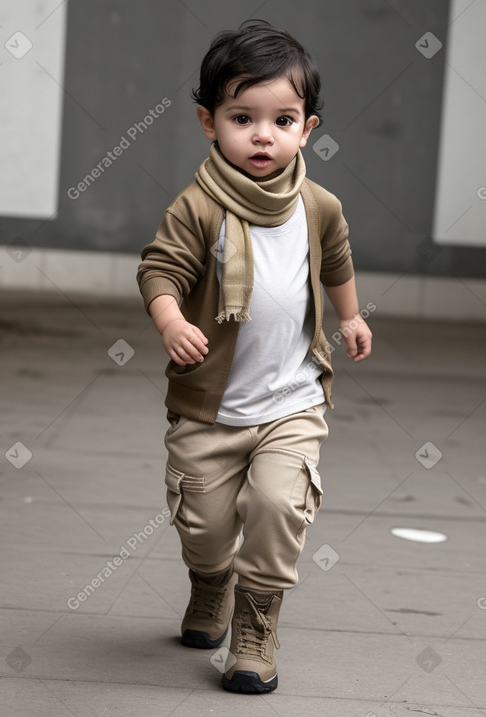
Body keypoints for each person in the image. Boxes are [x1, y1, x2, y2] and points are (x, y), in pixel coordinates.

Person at [136, 19, 372, 694]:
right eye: (244, 117)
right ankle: (210, 578)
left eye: (282, 119)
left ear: (308, 127)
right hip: (211, 411)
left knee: (278, 504)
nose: (262, 134)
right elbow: (160, 270)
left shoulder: (317, 205)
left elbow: (336, 260)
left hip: (290, 402)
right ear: (210, 124)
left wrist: (350, 315)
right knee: (204, 526)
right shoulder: (198, 207)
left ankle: (258, 621)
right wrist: (171, 319)